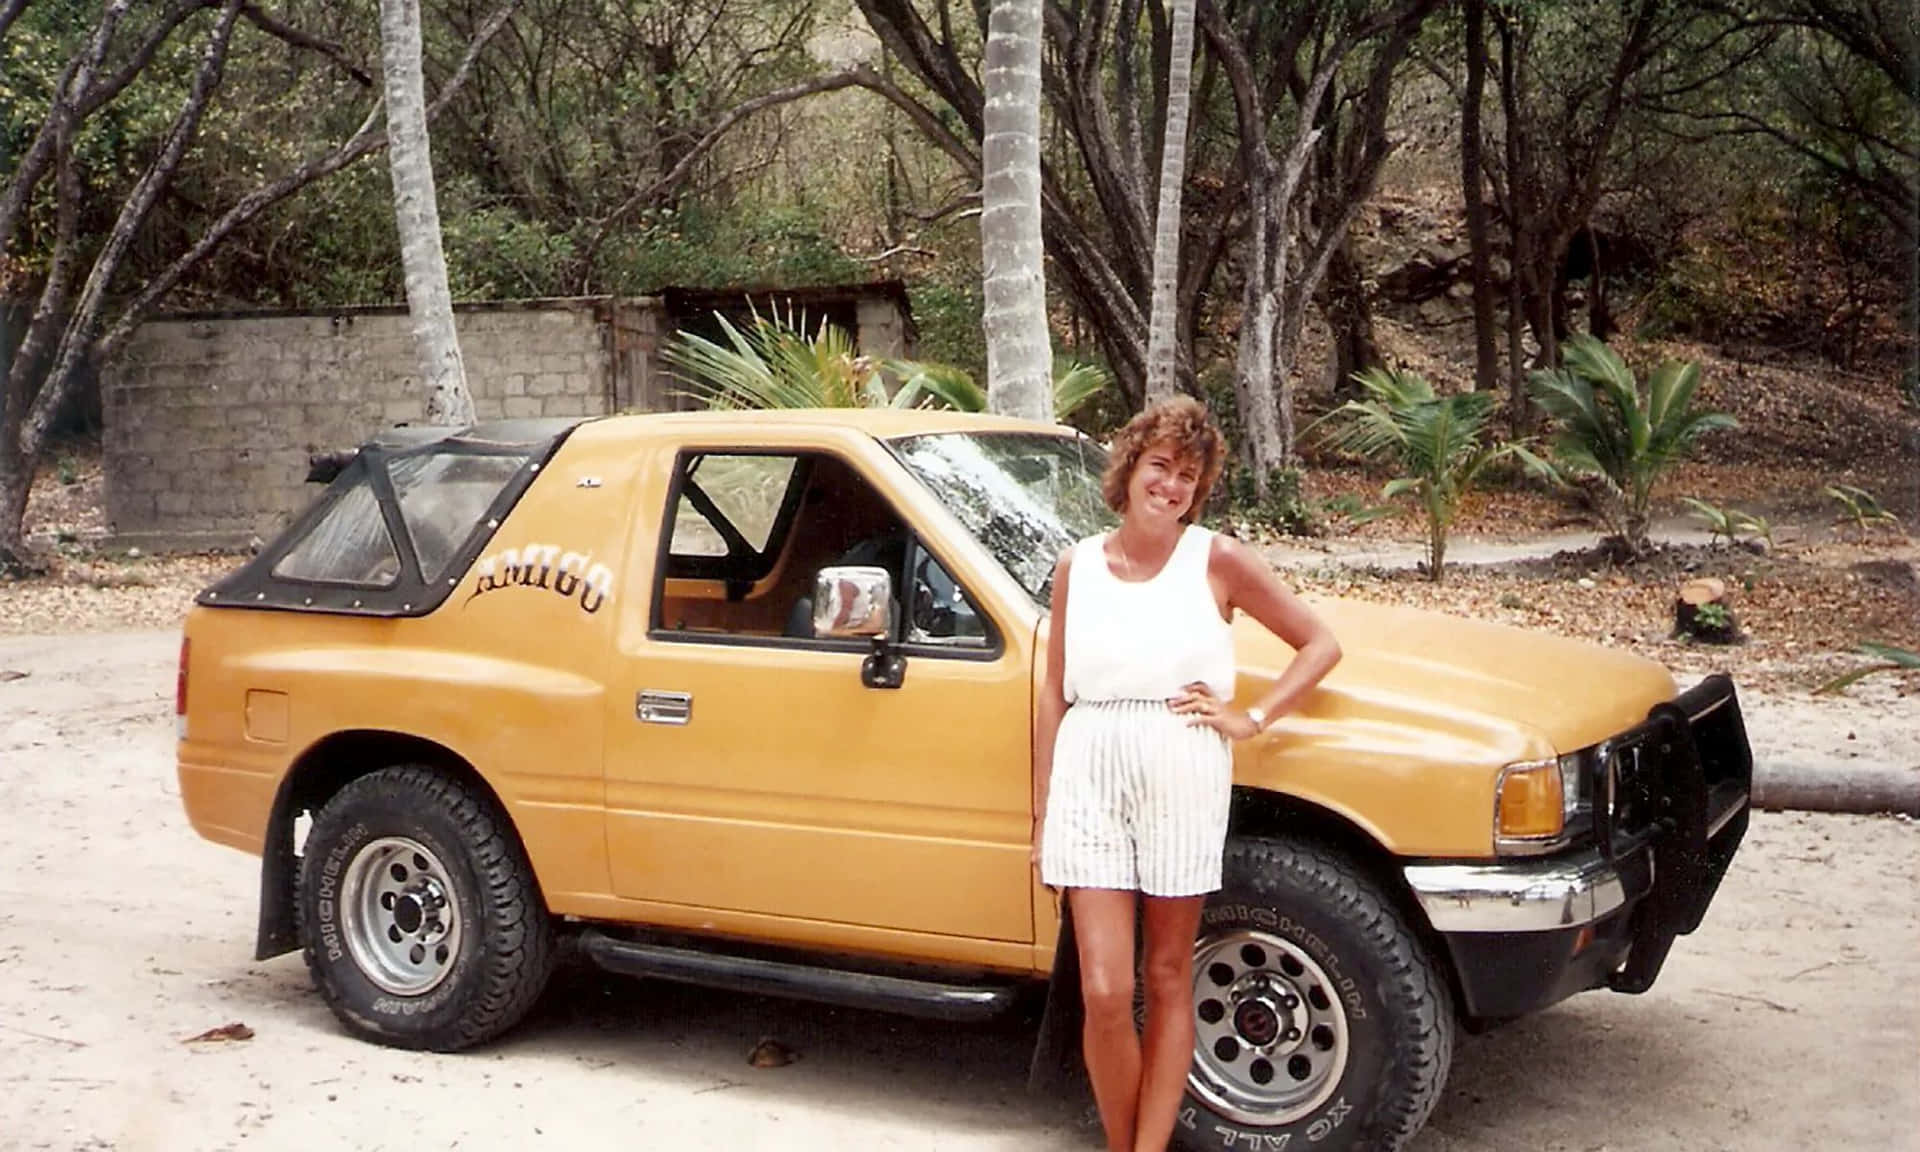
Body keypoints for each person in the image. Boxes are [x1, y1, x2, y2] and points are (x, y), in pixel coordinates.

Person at [1032, 395, 1342, 1152]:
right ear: (1131, 468)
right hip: (1091, 766)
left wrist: (1252, 717)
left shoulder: (1219, 560)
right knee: (1105, 989)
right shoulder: (1078, 566)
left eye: (1187, 476)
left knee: (1168, 976)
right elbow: (1053, 688)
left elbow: (1319, 643)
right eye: (1160, 466)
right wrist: (1042, 819)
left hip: (1181, 762)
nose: (1170, 486)